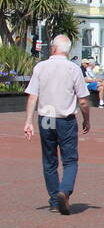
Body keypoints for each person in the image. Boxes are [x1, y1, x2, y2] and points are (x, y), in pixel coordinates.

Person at [23, 35, 92, 214]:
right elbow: (83, 101)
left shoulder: (40, 66)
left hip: (46, 116)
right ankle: (65, 190)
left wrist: (28, 121)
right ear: (67, 50)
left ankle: (54, 200)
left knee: (49, 160)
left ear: (53, 48)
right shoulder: (73, 69)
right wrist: (86, 119)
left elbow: (33, 96)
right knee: (70, 160)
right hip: (65, 118)